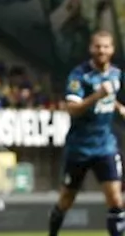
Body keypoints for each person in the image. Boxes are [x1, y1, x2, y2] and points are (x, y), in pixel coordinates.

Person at [49, 30, 125, 236]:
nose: (102, 50)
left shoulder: (116, 74)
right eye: (98, 46)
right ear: (91, 48)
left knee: (116, 200)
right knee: (66, 200)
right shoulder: (79, 76)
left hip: (105, 146)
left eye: (106, 46)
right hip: (79, 148)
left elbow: (111, 96)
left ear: (112, 49)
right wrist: (97, 95)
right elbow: (72, 108)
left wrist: (118, 106)